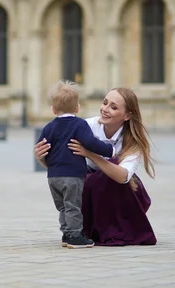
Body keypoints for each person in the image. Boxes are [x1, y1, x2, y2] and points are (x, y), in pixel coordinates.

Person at [35, 87, 157, 246]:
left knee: (111, 172)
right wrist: (41, 158)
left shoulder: (133, 141)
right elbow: (62, 162)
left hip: (116, 189)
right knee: (81, 186)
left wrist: (90, 154)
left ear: (127, 115)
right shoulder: (85, 125)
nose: (105, 109)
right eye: (105, 103)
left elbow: (123, 176)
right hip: (87, 185)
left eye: (113, 107)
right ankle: (74, 233)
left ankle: (116, 228)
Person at [36, 80, 116, 249]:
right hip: (72, 175)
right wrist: (110, 151)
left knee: (63, 207)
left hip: (53, 177)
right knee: (73, 206)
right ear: (77, 108)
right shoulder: (80, 124)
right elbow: (90, 143)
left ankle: (66, 233)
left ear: (53, 109)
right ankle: (74, 236)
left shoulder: (49, 127)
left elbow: (42, 147)